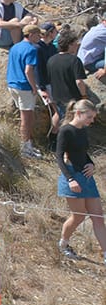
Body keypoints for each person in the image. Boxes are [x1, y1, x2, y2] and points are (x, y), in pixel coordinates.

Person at [55, 100, 106, 263]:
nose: (91, 121)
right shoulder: (66, 131)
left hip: (87, 177)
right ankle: (63, 244)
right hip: (72, 177)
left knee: (97, 216)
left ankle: (105, 253)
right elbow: (59, 156)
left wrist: (92, 164)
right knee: (78, 216)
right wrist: (70, 179)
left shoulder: (83, 130)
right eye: (89, 117)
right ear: (79, 113)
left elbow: (83, 153)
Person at [8, 24, 49, 159]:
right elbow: (28, 70)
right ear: (30, 35)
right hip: (24, 86)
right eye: (38, 34)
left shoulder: (15, 47)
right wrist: (34, 87)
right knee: (27, 118)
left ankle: (28, 145)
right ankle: (25, 149)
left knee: (24, 116)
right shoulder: (31, 49)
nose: (40, 37)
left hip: (12, 84)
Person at [76, 12, 106, 79]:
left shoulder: (99, 27)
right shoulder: (103, 32)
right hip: (90, 63)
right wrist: (104, 70)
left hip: (88, 60)